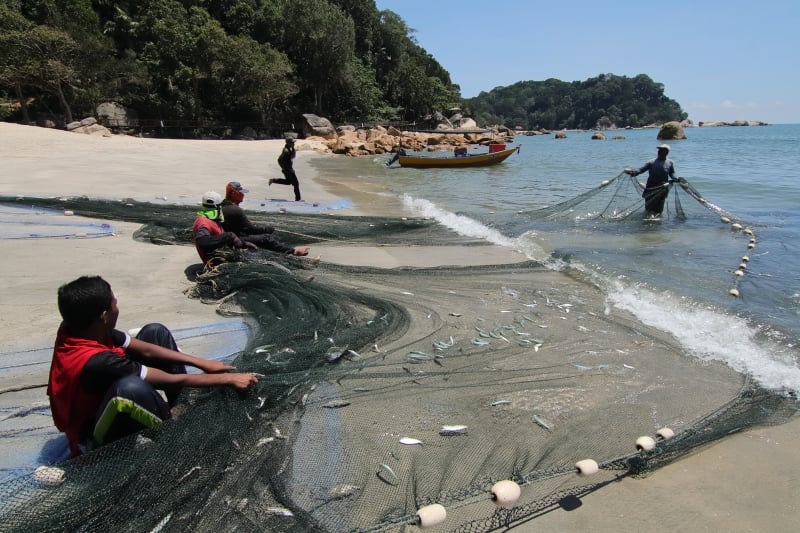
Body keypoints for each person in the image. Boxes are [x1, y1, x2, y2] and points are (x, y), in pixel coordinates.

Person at [47, 275, 258, 456]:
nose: (117, 307)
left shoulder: (81, 325)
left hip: (103, 394)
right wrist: (226, 378)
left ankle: (180, 404)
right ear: (103, 316)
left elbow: (145, 349)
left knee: (155, 331)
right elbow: (172, 379)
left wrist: (202, 363)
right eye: (114, 304)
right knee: (130, 389)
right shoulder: (97, 362)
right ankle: (173, 435)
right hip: (92, 440)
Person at [220, 181, 310, 257]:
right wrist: (266, 229)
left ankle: (285, 250)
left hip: (230, 236)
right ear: (233, 193)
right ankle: (293, 252)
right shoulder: (234, 209)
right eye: (240, 193)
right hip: (235, 240)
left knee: (268, 237)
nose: (242, 195)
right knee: (266, 238)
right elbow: (250, 230)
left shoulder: (222, 205)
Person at [192, 191, 257, 266]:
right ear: (218, 207)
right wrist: (229, 236)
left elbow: (219, 238)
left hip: (223, 256)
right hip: (216, 264)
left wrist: (243, 243)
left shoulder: (211, 219)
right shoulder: (203, 222)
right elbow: (202, 242)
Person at [624, 144, 678, 217]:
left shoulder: (670, 163)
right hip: (650, 189)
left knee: (659, 210)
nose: (659, 151)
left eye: (662, 150)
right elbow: (640, 170)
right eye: (659, 150)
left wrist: (675, 178)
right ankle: (648, 222)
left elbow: (672, 173)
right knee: (648, 209)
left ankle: (657, 224)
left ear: (666, 152)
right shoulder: (651, 162)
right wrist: (633, 172)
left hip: (662, 189)